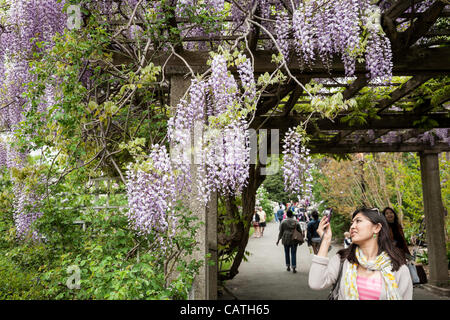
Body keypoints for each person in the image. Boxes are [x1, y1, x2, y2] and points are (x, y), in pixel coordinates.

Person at [309, 208, 413, 300]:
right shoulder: (343, 259)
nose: (352, 227)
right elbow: (316, 283)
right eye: (352, 223)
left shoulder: (399, 269)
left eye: (358, 221)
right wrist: (326, 240)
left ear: (376, 228)